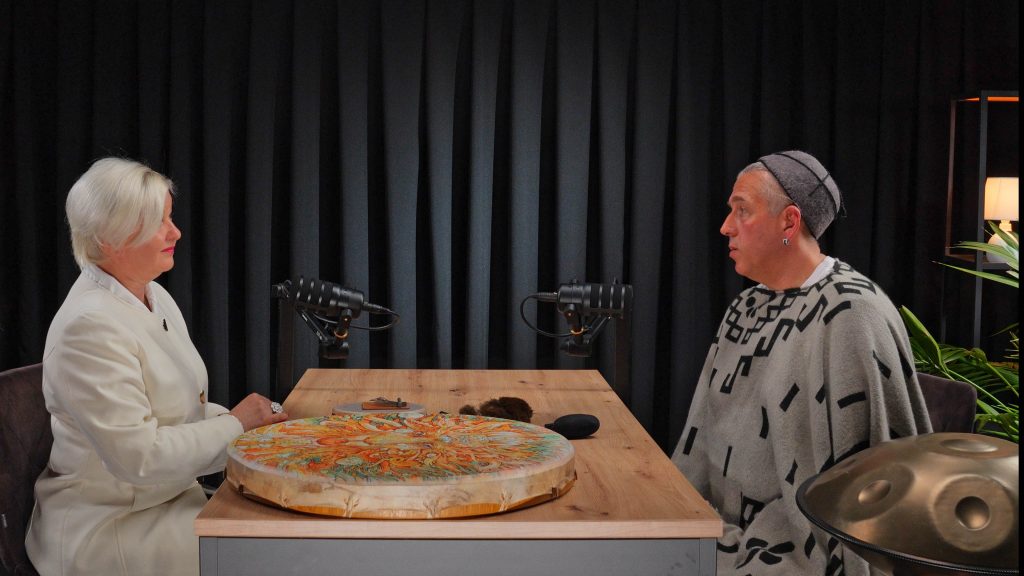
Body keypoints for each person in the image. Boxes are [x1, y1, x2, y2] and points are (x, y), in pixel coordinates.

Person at [671, 151, 932, 575]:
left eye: (742, 211)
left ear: (789, 222)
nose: (726, 227)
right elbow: (701, 436)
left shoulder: (850, 313)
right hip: (717, 519)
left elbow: (866, 481)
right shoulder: (747, 306)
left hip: (794, 543)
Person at [25, 157, 289, 576]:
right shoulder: (88, 327)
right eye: (159, 222)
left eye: (170, 217)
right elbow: (140, 458)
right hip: (113, 527)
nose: (175, 232)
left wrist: (262, 430)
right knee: (276, 555)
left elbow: (181, 410)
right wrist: (237, 426)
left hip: (167, 500)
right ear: (110, 237)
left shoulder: (152, 294)